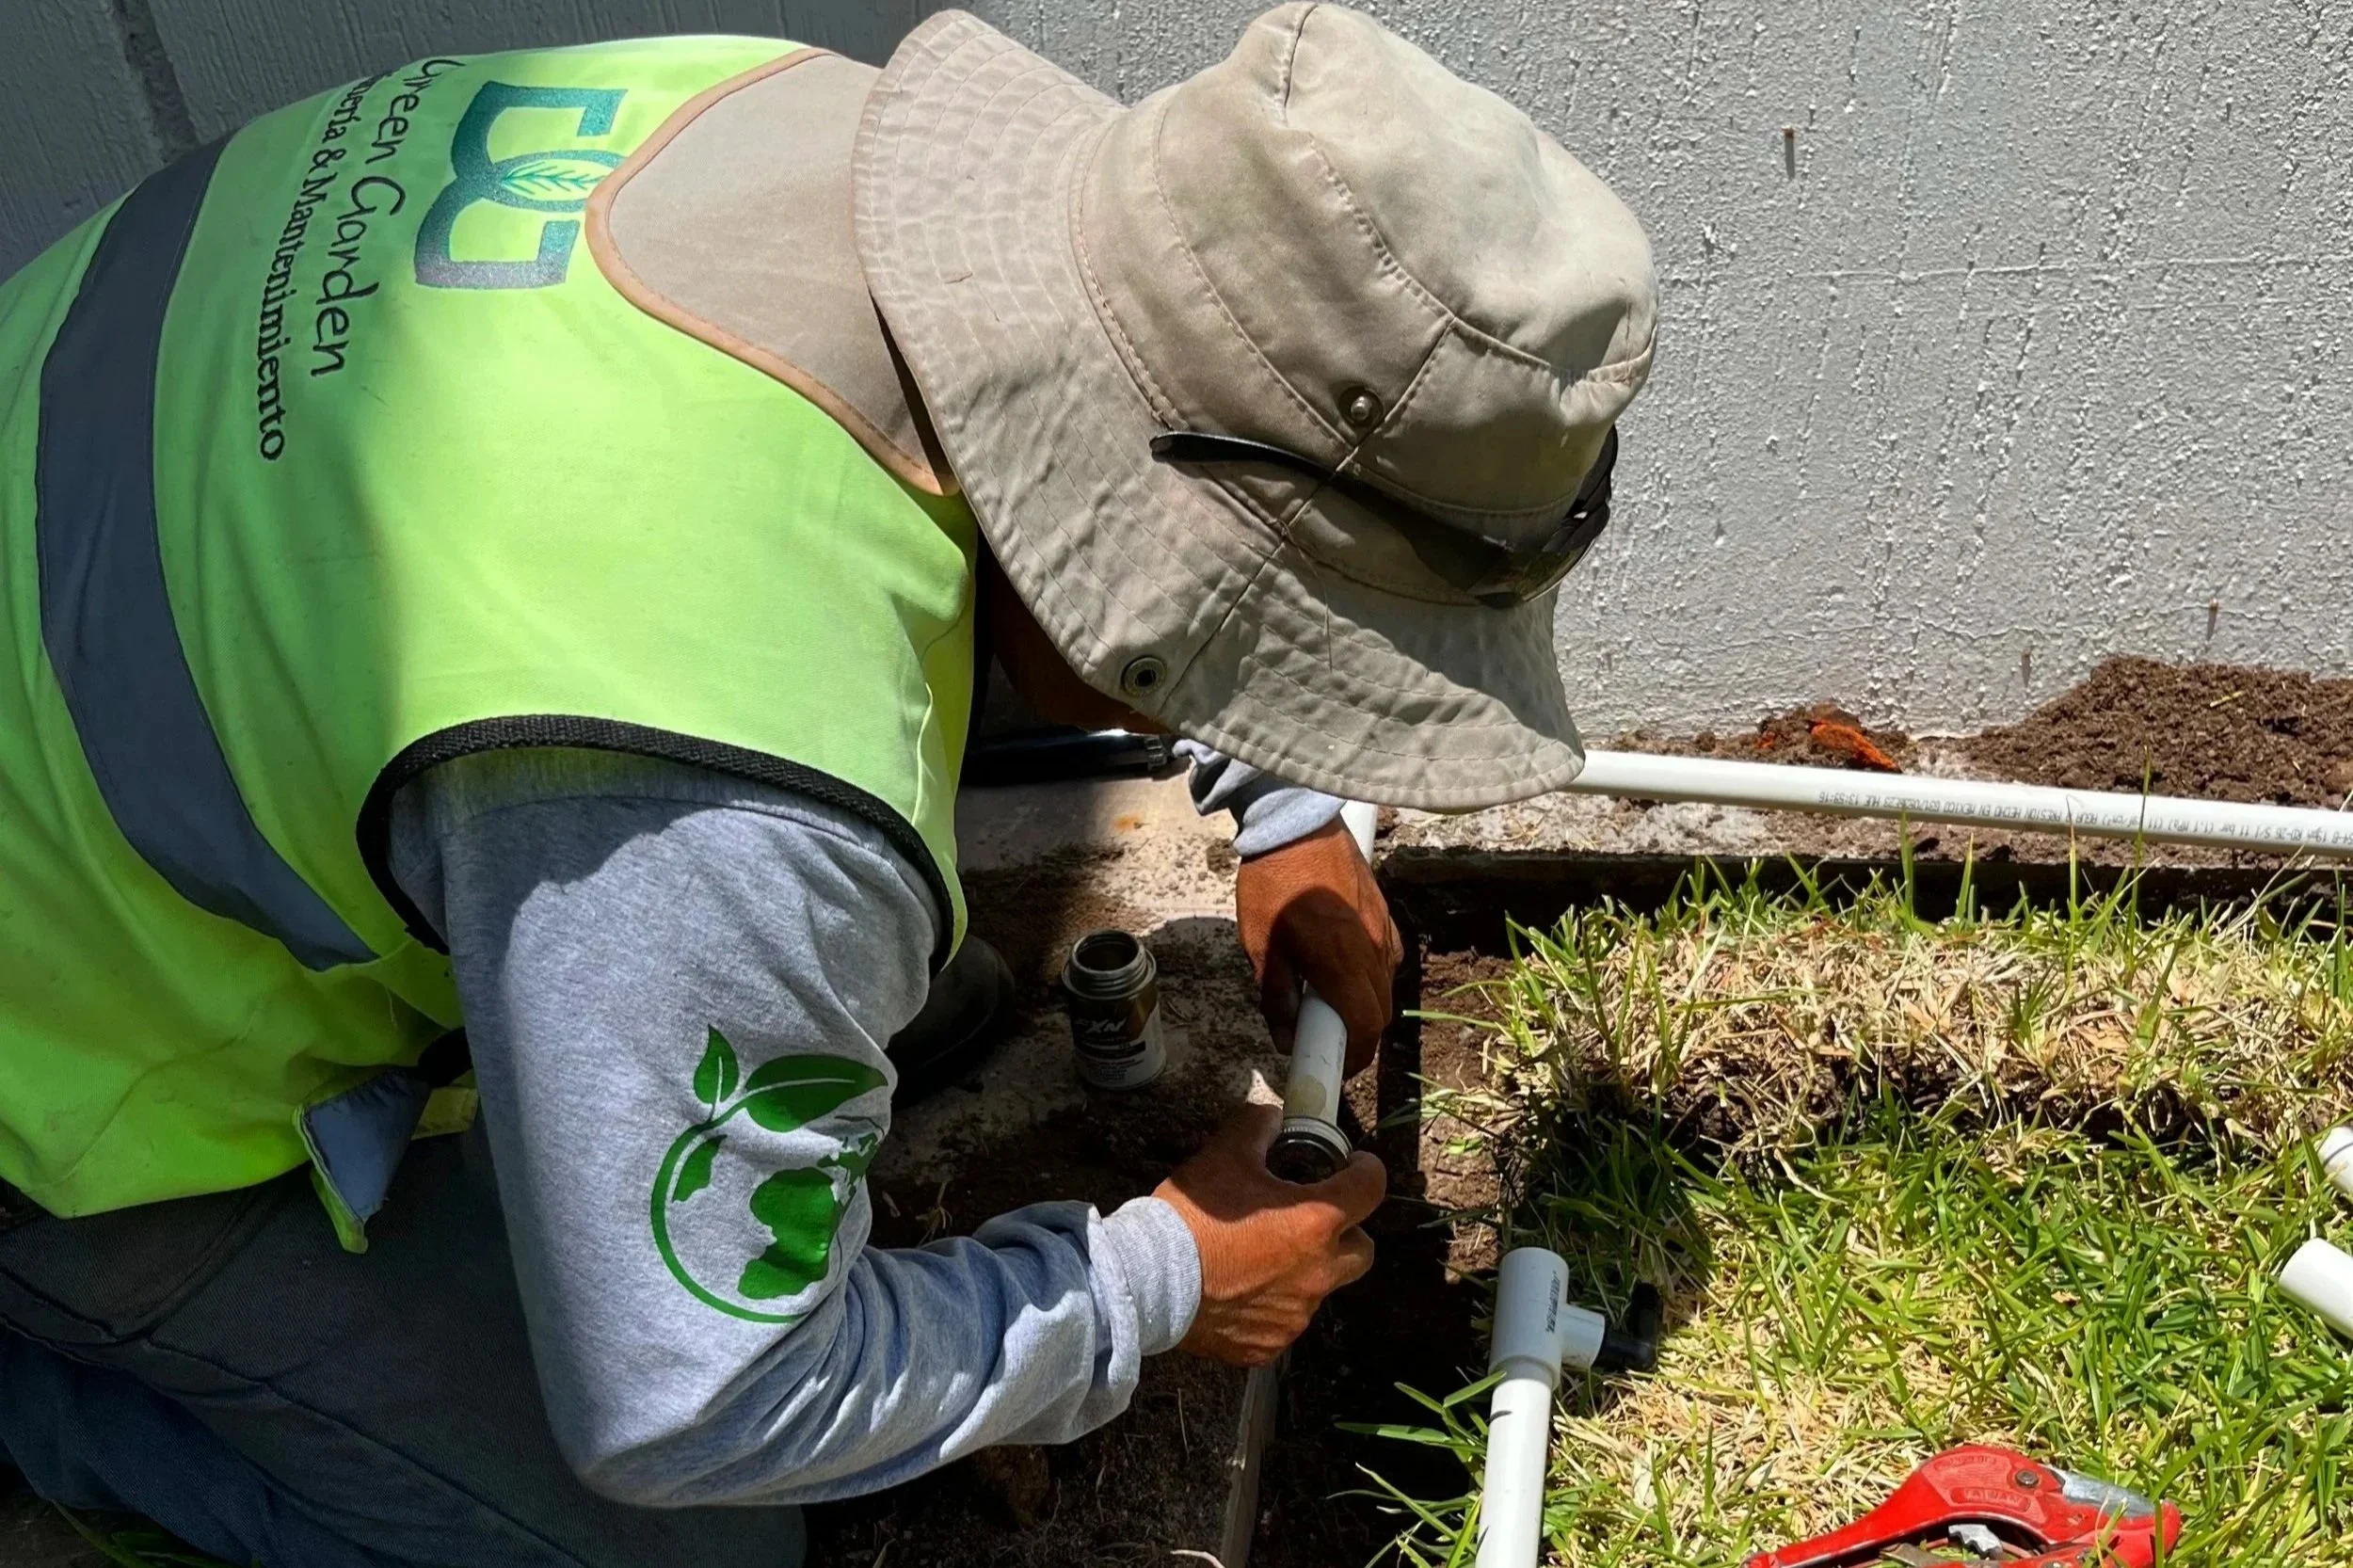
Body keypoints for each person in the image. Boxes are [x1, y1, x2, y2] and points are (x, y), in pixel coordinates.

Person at [0, 5, 1656, 1564]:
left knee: (899, 995)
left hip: (77, 574)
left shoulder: (816, 135)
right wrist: (1154, 1281)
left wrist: (1281, 798)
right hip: (57, 1066)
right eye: (1297, 651)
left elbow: (1145, 442)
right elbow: (686, 1406)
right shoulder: (720, 766)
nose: (1291, 686)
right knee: (689, 1533)